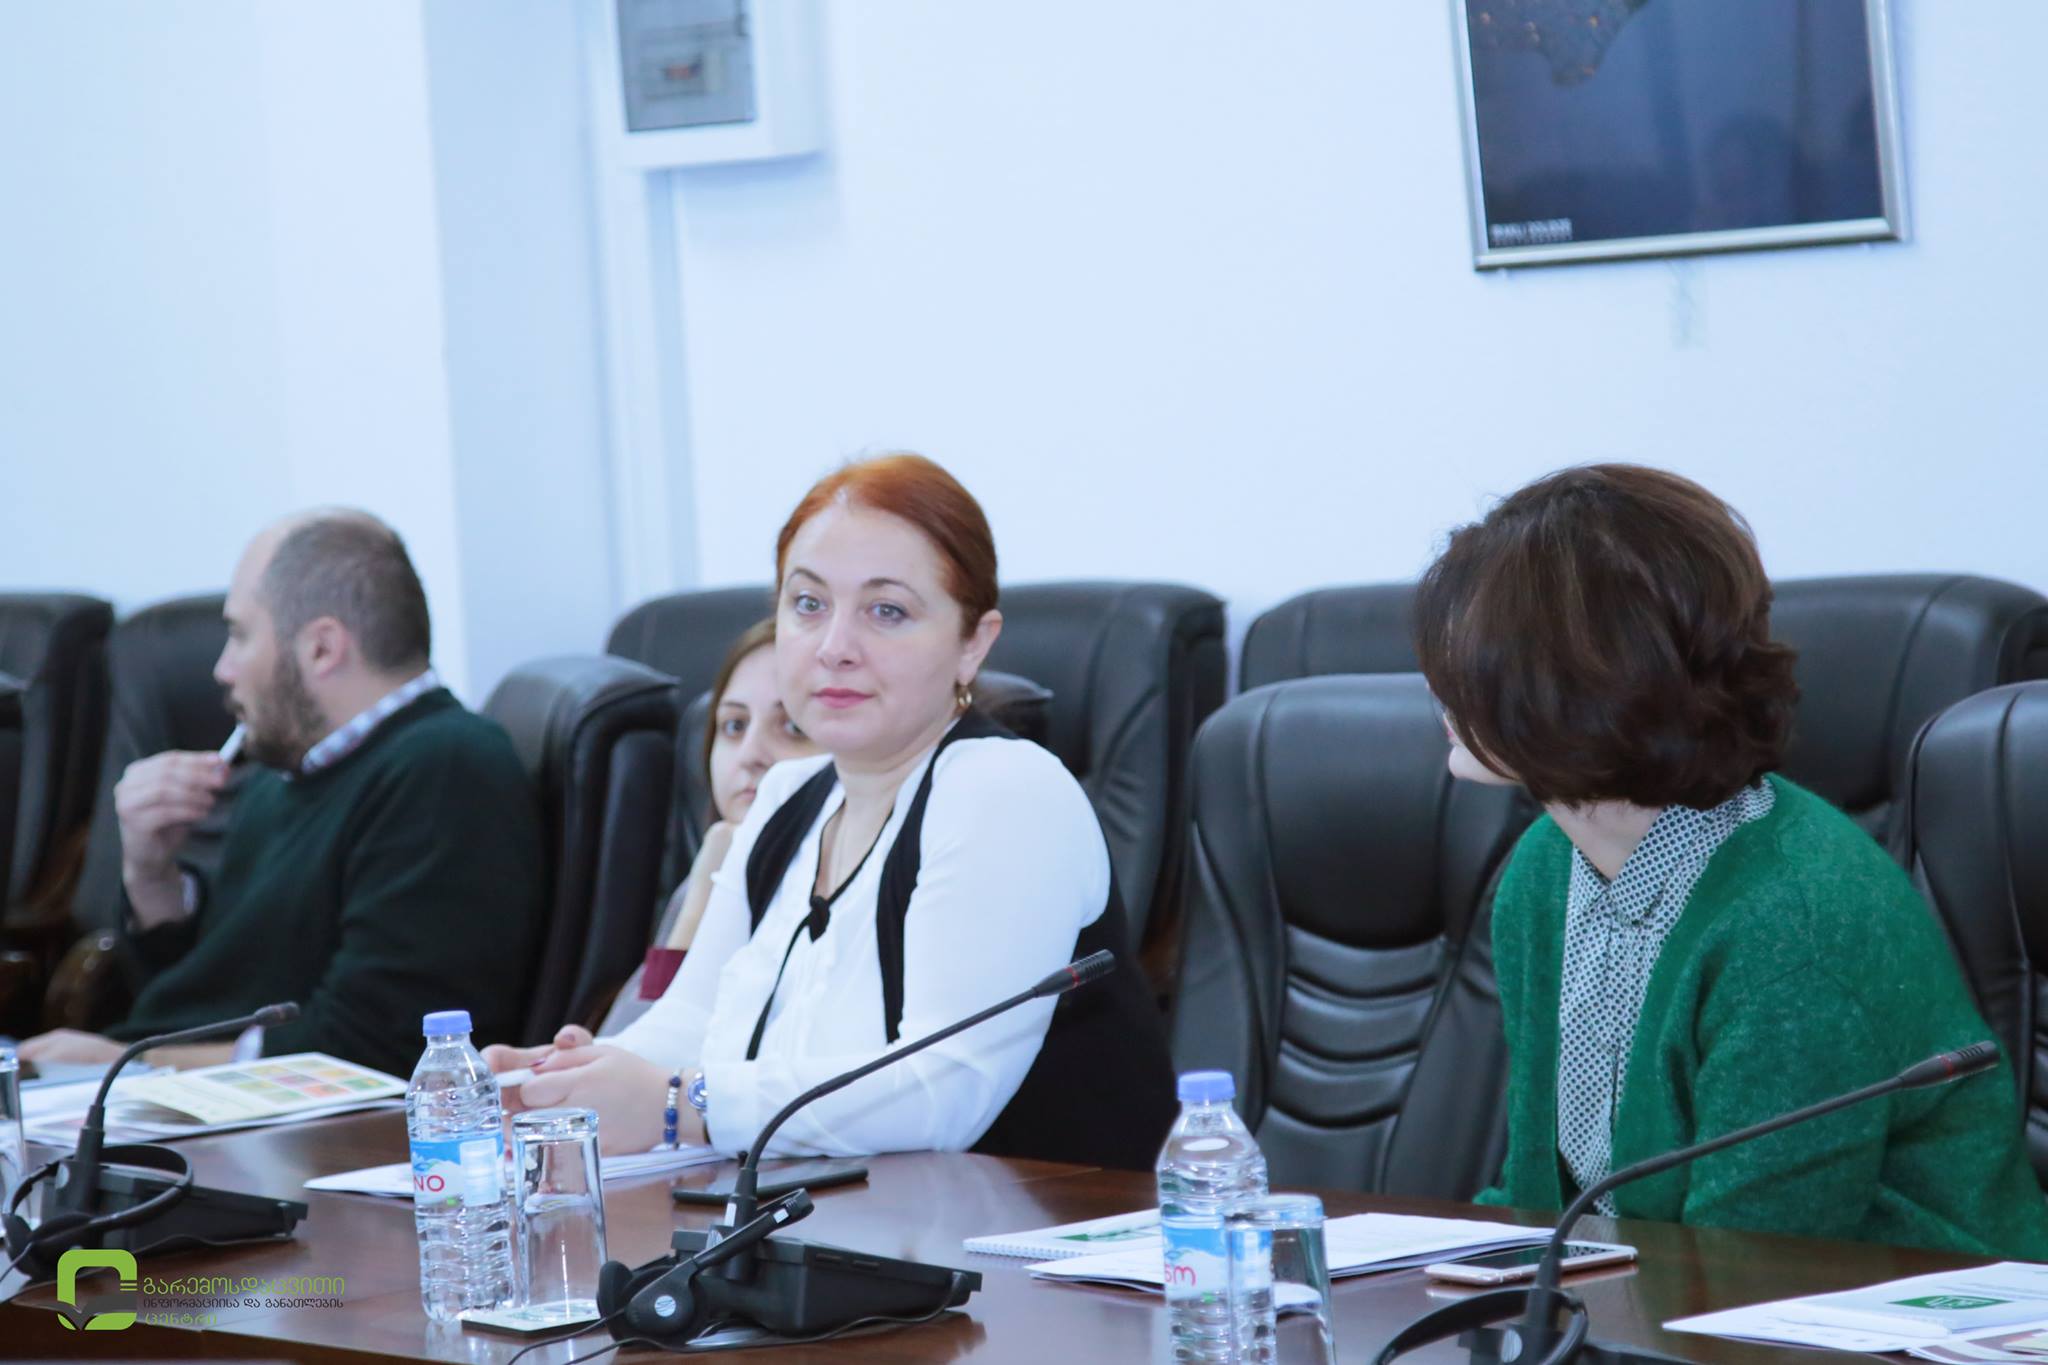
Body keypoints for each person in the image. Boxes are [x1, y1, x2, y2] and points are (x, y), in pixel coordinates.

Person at [1414, 464, 2048, 1256]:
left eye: (1472, 652)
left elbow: (1754, 1258)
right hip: (1659, 1297)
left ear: (1583, 680)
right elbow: (1545, 1199)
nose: (1438, 682)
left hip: (1898, 1304)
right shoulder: (1545, 870)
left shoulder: (1794, 920)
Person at [489, 454, 1176, 1165]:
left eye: (887, 611)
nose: (835, 647)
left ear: (974, 644)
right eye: (809, 604)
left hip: (1040, 1229)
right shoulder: (790, 796)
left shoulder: (1004, 791)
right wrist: (566, 1083)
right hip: (827, 1220)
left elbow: (940, 1094)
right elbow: (693, 1021)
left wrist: (673, 1103)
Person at [22, 511, 544, 1078]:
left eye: (240, 634)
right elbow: (208, 989)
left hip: (278, 1115)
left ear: (322, 648)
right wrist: (152, 874)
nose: (223, 669)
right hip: (183, 1092)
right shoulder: (290, 765)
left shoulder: (445, 768)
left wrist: (135, 1063)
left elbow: (377, 1045)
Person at [598, 618, 818, 1035]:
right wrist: (700, 897)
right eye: (734, 725)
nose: (750, 754)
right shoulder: (715, 862)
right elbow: (623, 1040)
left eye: (792, 728)